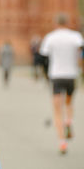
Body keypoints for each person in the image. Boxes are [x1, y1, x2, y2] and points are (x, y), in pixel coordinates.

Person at [39, 13, 84, 154]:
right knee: (69, 103)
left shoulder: (50, 37)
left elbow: (43, 58)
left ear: (56, 23)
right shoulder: (76, 36)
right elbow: (82, 52)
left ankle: (62, 142)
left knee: (57, 110)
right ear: (68, 23)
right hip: (71, 75)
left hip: (56, 76)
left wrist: (46, 75)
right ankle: (69, 121)